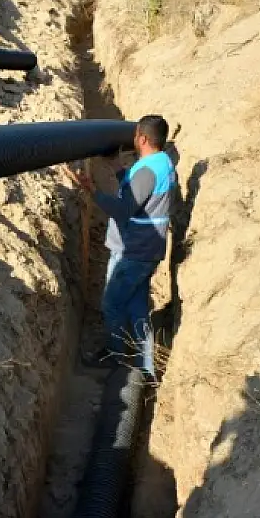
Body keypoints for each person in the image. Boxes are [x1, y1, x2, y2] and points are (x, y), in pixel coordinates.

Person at [63, 114, 176, 378]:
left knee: (112, 304)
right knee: (137, 307)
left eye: (136, 135)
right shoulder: (160, 163)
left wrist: (93, 192)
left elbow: (125, 208)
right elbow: (138, 190)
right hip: (145, 250)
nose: (133, 139)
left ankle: (116, 358)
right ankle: (145, 366)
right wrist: (117, 168)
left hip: (134, 251)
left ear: (143, 138)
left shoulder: (149, 170)